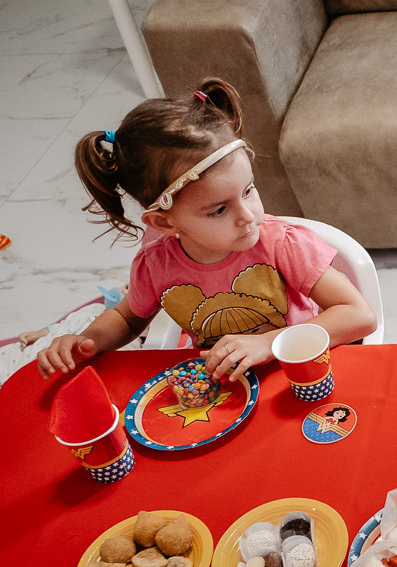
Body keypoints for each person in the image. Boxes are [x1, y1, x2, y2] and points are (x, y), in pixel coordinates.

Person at [36, 78, 376, 381]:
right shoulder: (157, 265)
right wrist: (86, 341)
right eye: (219, 209)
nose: (248, 216)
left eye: (248, 190)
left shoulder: (282, 244)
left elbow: (358, 316)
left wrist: (268, 343)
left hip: (301, 370)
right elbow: (127, 319)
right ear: (164, 222)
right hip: (226, 386)